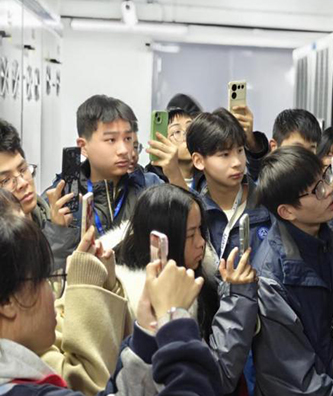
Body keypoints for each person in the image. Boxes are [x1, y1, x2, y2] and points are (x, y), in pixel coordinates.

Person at [0, 211, 221, 396]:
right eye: (42, 280)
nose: (52, 293)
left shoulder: (19, 392)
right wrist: (176, 324)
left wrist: (145, 336)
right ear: (8, 302)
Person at [253, 146, 333, 396]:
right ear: (287, 211)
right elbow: (294, 381)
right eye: (317, 190)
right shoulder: (270, 277)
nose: (329, 190)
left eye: (325, 178)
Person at [115, 184, 258, 396]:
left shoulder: (200, 274)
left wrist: (228, 290)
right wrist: (238, 297)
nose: (201, 242)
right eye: (191, 235)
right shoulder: (140, 303)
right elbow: (216, 375)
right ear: (162, 242)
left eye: (201, 229)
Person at [46, 95, 182, 237]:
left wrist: (175, 175)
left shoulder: (150, 187)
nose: (124, 150)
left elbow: (188, 232)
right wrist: (58, 231)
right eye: (111, 140)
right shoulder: (59, 198)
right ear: (83, 146)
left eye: (127, 138)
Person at [186, 108, 272, 263]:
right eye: (225, 155)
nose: (237, 162)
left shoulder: (267, 201)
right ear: (199, 161)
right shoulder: (197, 214)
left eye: (240, 150)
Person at [0, 119, 79, 271]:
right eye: (6, 180)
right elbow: (36, 283)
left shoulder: (49, 216)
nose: (23, 183)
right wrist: (58, 234)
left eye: (23, 169)